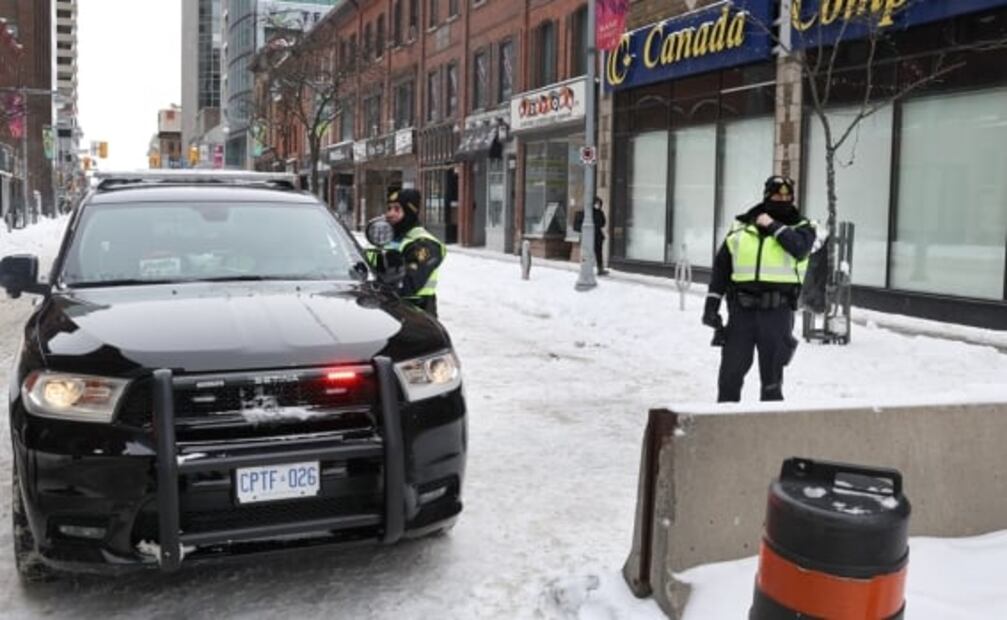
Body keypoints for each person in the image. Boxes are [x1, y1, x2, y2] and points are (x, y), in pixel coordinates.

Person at [702, 175, 818, 402]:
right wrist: (711, 306)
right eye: (777, 196)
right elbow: (721, 270)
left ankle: (770, 425)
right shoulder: (741, 227)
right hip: (741, 313)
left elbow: (799, 249)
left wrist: (772, 225)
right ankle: (727, 421)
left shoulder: (802, 227)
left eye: (787, 197)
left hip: (777, 313)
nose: (782, 201)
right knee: (729, 377)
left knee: (772, 383)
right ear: (766, 196)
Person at [384, 187, 446, 317]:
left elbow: (409, 284)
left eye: (397, 209)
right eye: (389, 208)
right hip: (388, 311)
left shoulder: (425, 244)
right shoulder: (386, 239)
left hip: (417, 313)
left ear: (409, 212)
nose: (390, 214)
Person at [574, 197, 609, 276]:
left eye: (599, 204)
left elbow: (603, 223)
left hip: (596, 236)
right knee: (588, 254)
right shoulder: (582, 213)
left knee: (597, 253)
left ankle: (599, 269)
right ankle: (587, 269)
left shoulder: (599, 212)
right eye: (597, 203)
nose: (598, 205)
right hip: (588, 237)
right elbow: (576, 227)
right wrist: (586, 229)